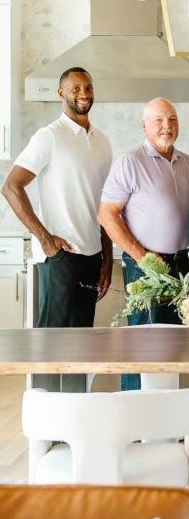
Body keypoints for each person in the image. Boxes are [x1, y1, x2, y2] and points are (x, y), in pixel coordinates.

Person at [1, 67, 112, 393]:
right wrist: (45, 238)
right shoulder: (49, 136)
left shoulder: (102, 141)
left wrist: (107, 258)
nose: (84, 94)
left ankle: (73, 411)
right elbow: (11, 187)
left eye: (88, 87)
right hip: (60, 257)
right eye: (75, 88)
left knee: (80, 345)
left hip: (92, 256)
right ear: (60, 93)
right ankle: (45, 415)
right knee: (51, 343)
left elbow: (104, 204)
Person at [98, 97, 189, 390]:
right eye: (159, 120)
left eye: (172, 119)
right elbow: (106, 214)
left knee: (173, 341)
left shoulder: (188, 163)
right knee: (142, 341)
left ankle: (166, 407)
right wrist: (141, 256)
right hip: (144, 265)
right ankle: (134, 408)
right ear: (144, 126)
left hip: (181, 263)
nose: (167, 125)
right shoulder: (130, 162)